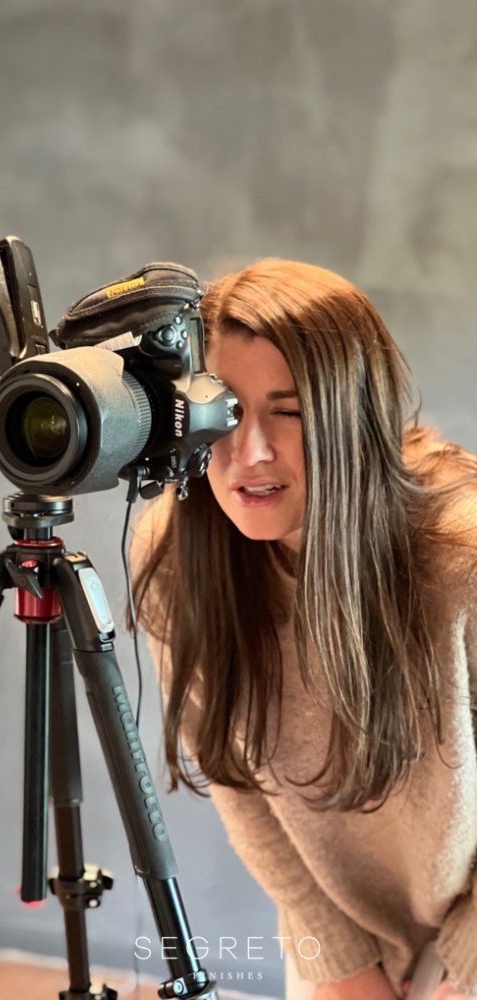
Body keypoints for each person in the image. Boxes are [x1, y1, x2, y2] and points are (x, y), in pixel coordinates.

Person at [131, 258, 477, 999]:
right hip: (339, 921)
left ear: (353, 418)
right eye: (224, 412)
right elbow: (244, 796)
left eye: (288, 413)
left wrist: (463, 968)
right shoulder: (173, 559)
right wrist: (342, 963)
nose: (249, 453)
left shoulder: (463, 559)